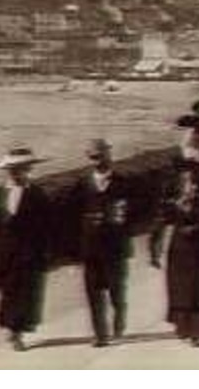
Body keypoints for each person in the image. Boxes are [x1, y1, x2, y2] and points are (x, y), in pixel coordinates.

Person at [0, 147, 53, 351]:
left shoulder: (37, 194)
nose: (15, 173)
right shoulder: (0, 194)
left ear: (28, 169)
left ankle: (16, 332)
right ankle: (10, 326)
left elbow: (46, 227)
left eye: (19, 169)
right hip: (3, 252)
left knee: (24, 293)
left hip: (28, 253)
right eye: (11, 169)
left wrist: (45, 252)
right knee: (7, 291)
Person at [150, 160, 199, 345]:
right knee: (181, 289)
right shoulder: (172, 200)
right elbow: (160, 223)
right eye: (186, 180)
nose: (190, 183)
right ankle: (185, 329)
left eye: (193, 179)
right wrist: (155, 248)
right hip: (180, 248)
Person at [69, 139, 134, 347]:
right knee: (93, 292)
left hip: (116, 247)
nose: (98, 161)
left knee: (117, 291)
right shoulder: (82, 184)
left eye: (101, 156)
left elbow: (134, 212)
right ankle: (100, 334)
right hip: (90, 248)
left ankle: (119, 322)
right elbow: (72, 214)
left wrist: (124, 227)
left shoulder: (123, 182)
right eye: (94, 157)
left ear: (109, 156)